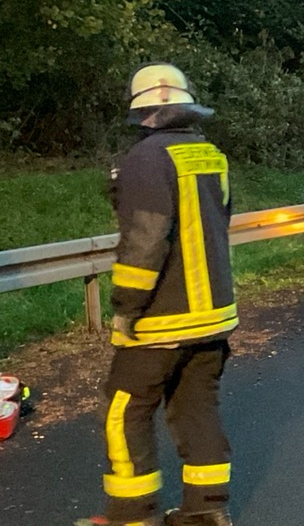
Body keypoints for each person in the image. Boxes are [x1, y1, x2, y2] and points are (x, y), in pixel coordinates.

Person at [85, 64, 237, 526]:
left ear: (145, 113)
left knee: (123, 409)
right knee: (196, 409)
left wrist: (126, 308)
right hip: (213, 316)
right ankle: (206, 513)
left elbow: (145, 240)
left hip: (161, 318)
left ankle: (132, 514)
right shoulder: (211, 155)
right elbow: (217, 223)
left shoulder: (146, 159)